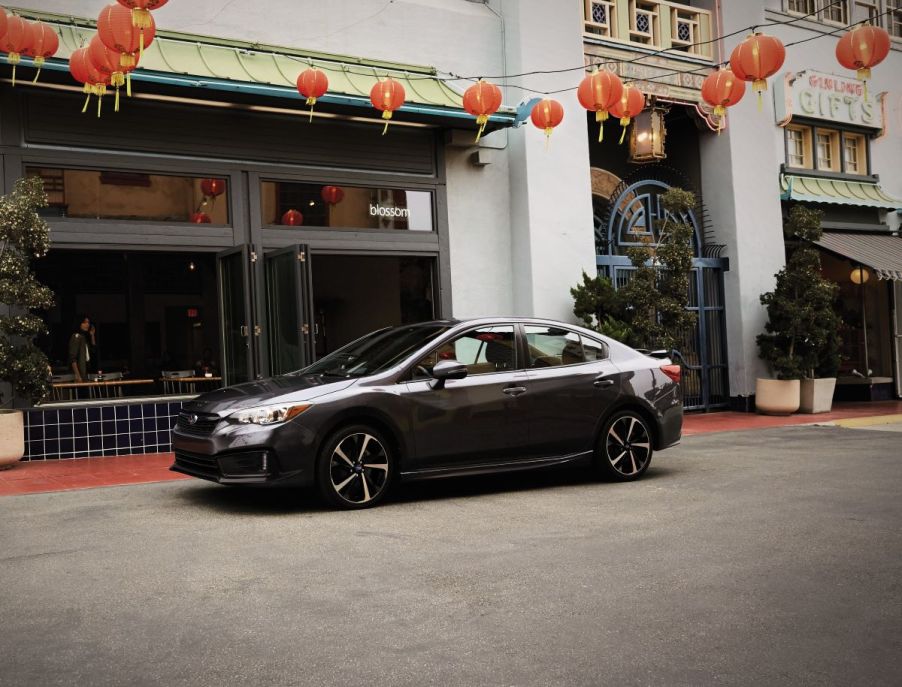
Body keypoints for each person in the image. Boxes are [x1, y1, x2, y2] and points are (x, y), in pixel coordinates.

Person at [68, 315, 92, 382]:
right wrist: (78, 376)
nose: (87, 324)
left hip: (85, 374)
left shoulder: (83, 337)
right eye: (84, 322)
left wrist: (92, 335)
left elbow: (91, 352)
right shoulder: (76, 336)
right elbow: (73, 358)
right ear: (79, 323)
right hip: (79, 376)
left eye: (88, 322)